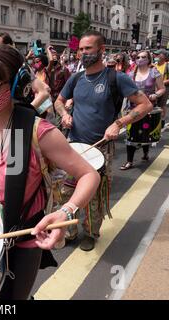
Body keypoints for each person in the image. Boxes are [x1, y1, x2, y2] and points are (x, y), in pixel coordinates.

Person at [0, 44, 101, 300]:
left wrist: (65, 210)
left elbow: (90, 174)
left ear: (16, 85)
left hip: (21, 240)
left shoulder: (40, 132)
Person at [54, 31, 153, 251]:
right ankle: (69, 231)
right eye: (80, 49)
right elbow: (59, 101)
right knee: (66, 192)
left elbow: (145, 105)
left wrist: (119, 124)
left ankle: (90, 232)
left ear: (101, 50)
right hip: (74, 146)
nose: (82, 53)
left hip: (101, 149)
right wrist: (64, 114)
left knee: (94, 195)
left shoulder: (116, 78)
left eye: (87, 48)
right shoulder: (76, 78)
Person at [120, 51, 166, 170]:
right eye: (138, 57)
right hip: (133, 109)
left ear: (149, 59)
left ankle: (145, 153)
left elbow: (162, 89)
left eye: (143, 57)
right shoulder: (131, 74)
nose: (140, 59)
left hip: (148, 108)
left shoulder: (154, 72)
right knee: (131, 135)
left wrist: (156, 95)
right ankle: (129, 161)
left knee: (146, 132)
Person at [154, 49, 169, 127]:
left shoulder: (167, 65)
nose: (156, 56)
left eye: (159, 54)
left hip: (164, 88)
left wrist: (161, 83)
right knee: (154, 105)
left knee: (162, 105)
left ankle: (162, 120)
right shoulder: (154, 65)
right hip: (154, 88)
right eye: (156, 54)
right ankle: (155, 120)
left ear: (164, 56)